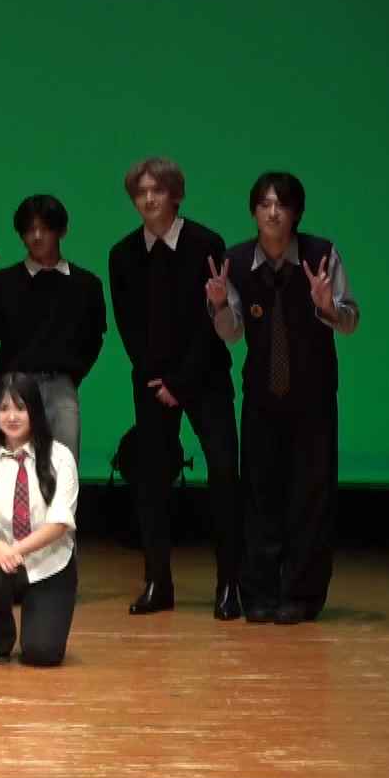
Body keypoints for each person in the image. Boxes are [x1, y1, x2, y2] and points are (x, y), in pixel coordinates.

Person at [207, 171, 359, 624]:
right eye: (264, 204)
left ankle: (302, 595)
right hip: (262, 397)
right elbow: (232, 334)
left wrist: (327, 305)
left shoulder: (321, 255)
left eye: (282, 204)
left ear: (296, 213)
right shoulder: (235, 261)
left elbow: (351, 320)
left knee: (310, 497)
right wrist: (219, 304)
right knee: (259, 496)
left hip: (313, 398)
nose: (273, 212)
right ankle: (259, 592)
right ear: (254, 211)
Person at [107, 156, 242, 618]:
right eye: (140, 192)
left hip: (205, 377)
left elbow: (210, 324)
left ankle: (230, 584)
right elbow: (129, 326)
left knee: (223, 473)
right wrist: (157, 379)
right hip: (152, 382)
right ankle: (157, 582)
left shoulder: (206, 243)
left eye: (158, 190)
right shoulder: (122, 254)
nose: (148, 199)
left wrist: (181, 383)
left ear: (176, 195)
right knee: (151, 482)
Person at [0, 193, 105, 460]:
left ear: (61, 231)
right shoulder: (5, 282)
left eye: (45, 228)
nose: (37, 236)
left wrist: (71, 375)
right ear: (21, 235)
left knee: (64, 465)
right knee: (7, 464)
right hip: (13, 384)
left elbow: (94, 338)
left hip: (61, 386)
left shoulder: (86, 285)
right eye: (29, 230)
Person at [0, 373, 80, 666]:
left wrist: (12, 550)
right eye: (3, 408)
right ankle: (0, 636)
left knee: (42, 654)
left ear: (35, 411)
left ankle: (39, 619)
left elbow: (59, 523)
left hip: (50, 565)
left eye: (20, 407)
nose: (12, 416)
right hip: (6, 565)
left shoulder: (60, 457)